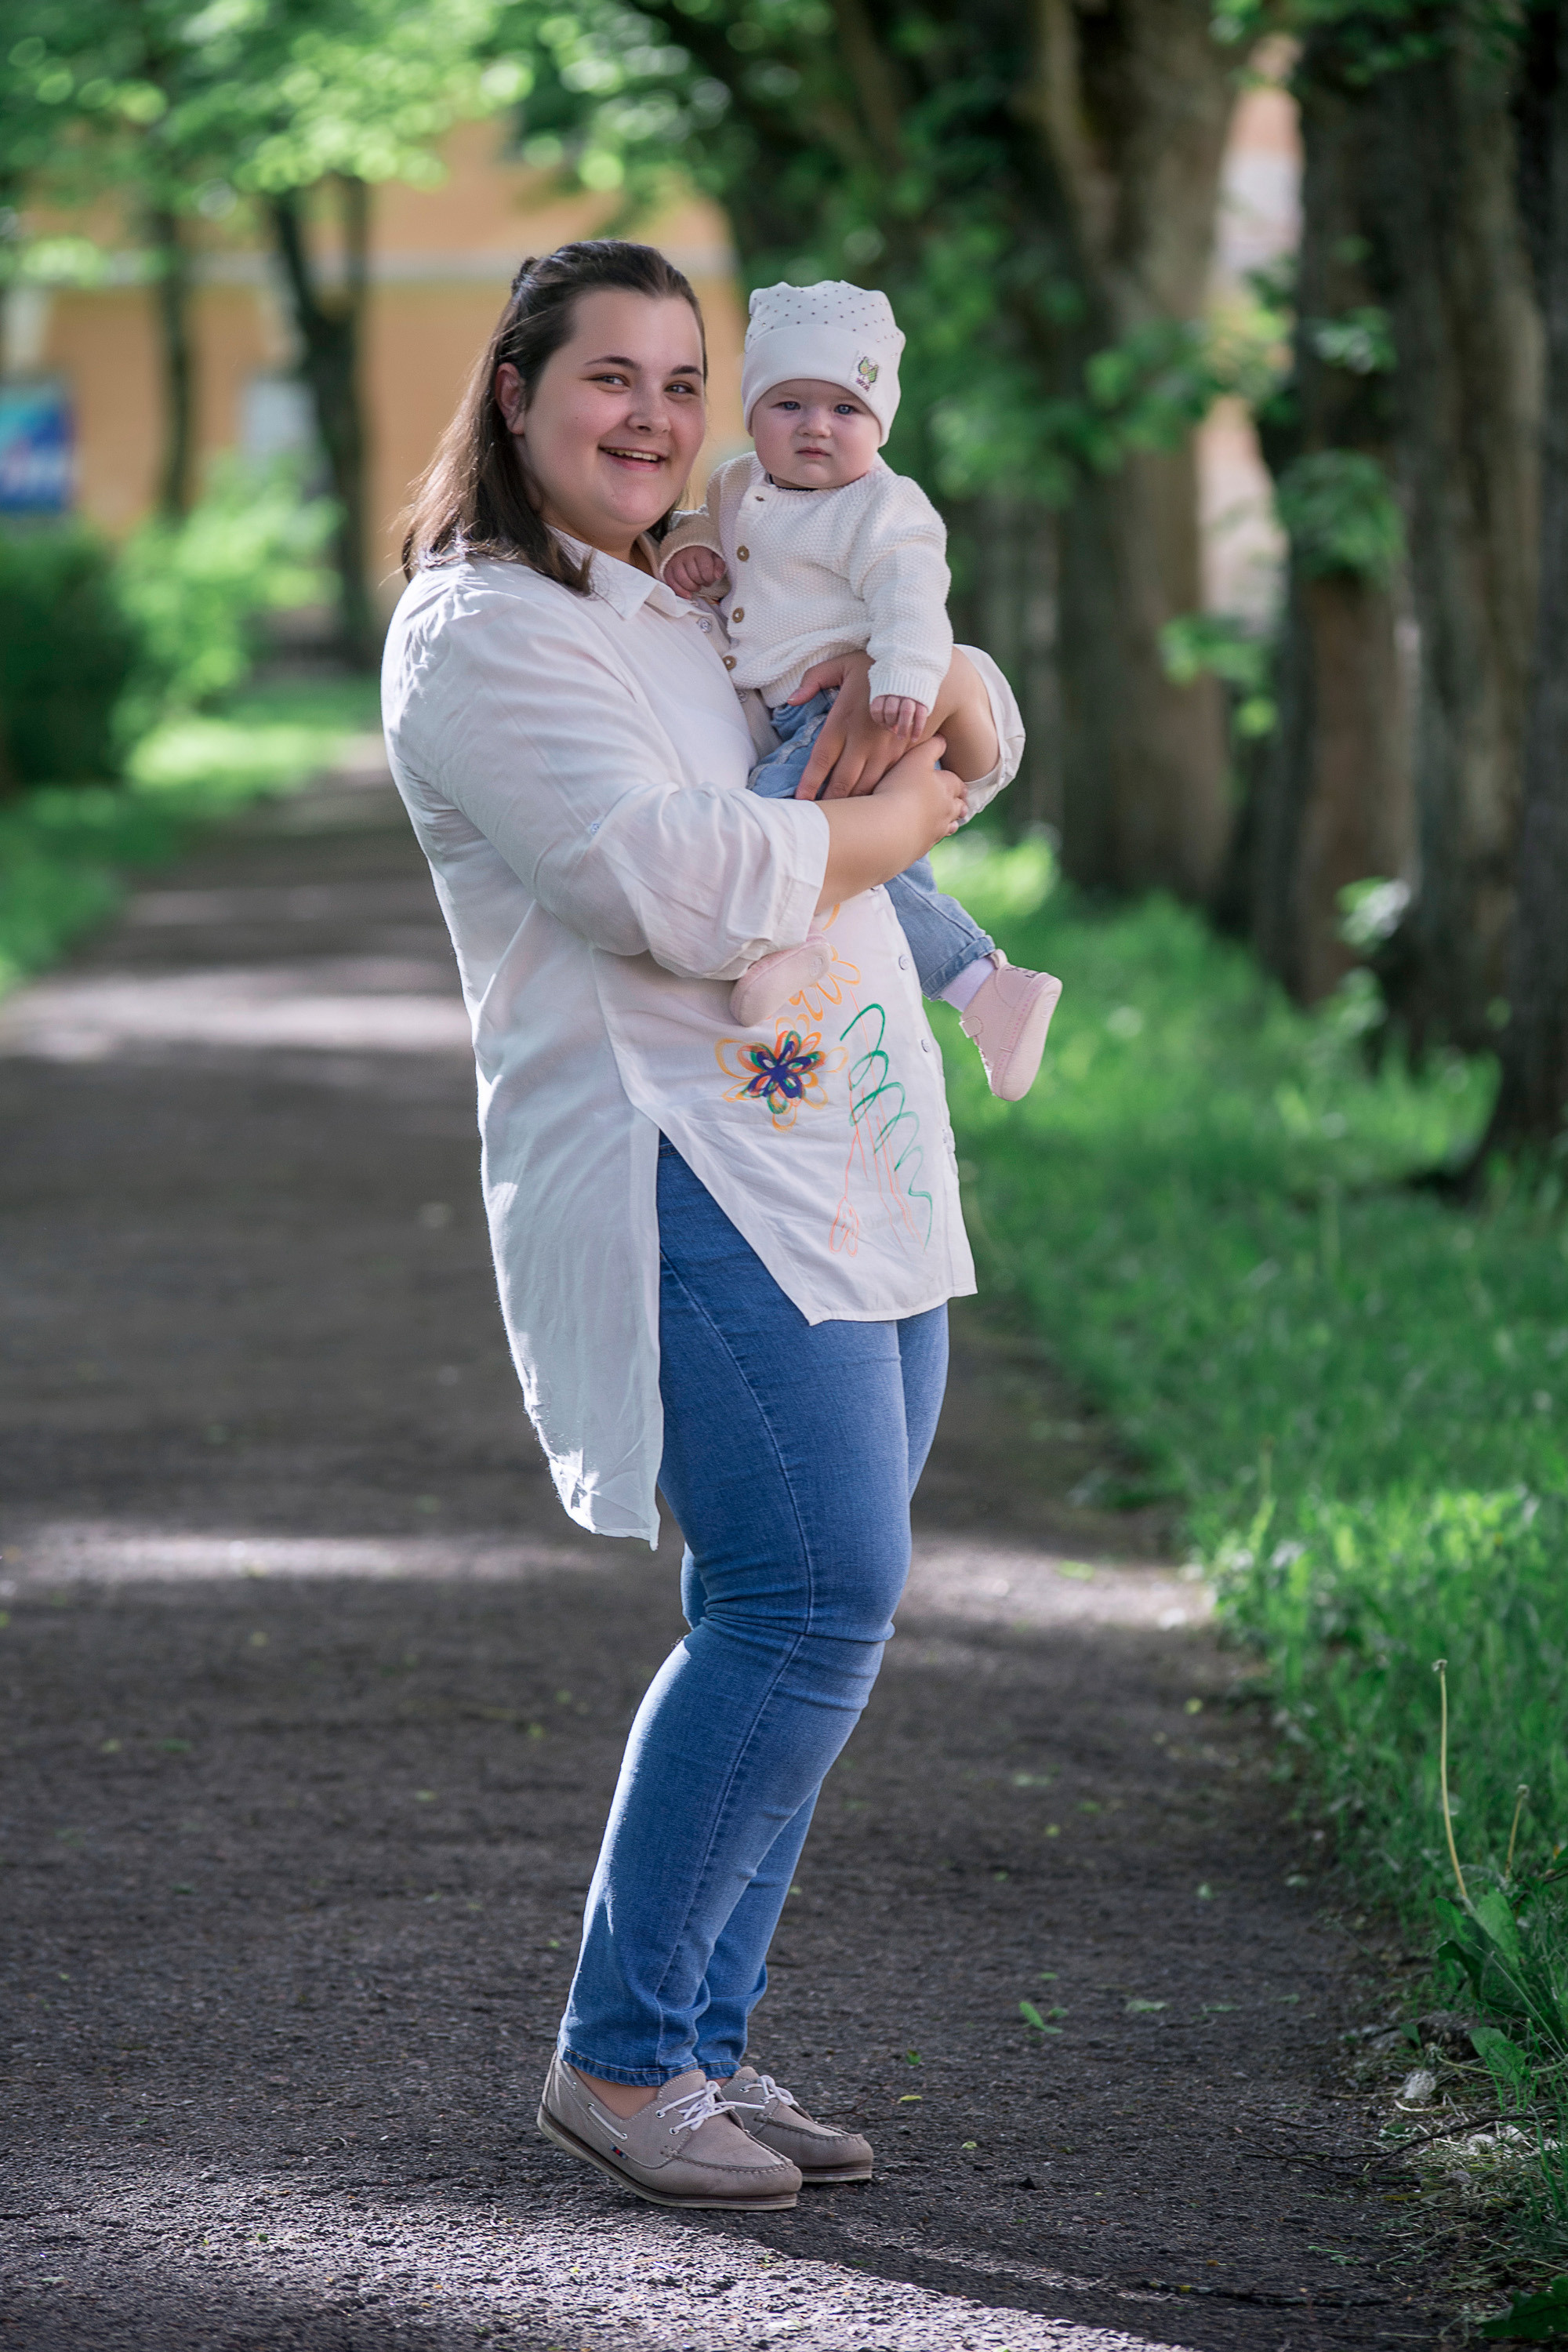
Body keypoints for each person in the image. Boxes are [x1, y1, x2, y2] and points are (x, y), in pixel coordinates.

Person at [383, 239, 1025, 2213]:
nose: (652, 414)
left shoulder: (677, 583)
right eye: (609, 377)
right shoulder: (485, 632)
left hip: (855, 1153)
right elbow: (671, 879)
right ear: (513, 391)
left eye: (683, 377)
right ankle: (623, 2053)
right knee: (800, 1596)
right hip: (692, 1161)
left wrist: (955, 722)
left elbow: (910, 703)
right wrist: (905, 814)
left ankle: (703, 2036)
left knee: (826, 1610)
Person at [659, 278, 1061, 1103]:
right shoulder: (735, 485)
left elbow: (911, 597)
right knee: (881, 868)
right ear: (752, 411)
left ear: (879, 423)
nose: (815, 427)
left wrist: (905, 682)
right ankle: (985, 986)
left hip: (853, 709)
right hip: (791, 709)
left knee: (778, 812)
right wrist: (689, 549)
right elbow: (701, 522)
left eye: (844, 409)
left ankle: (785, 936)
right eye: (788, 405)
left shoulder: (881, 507)